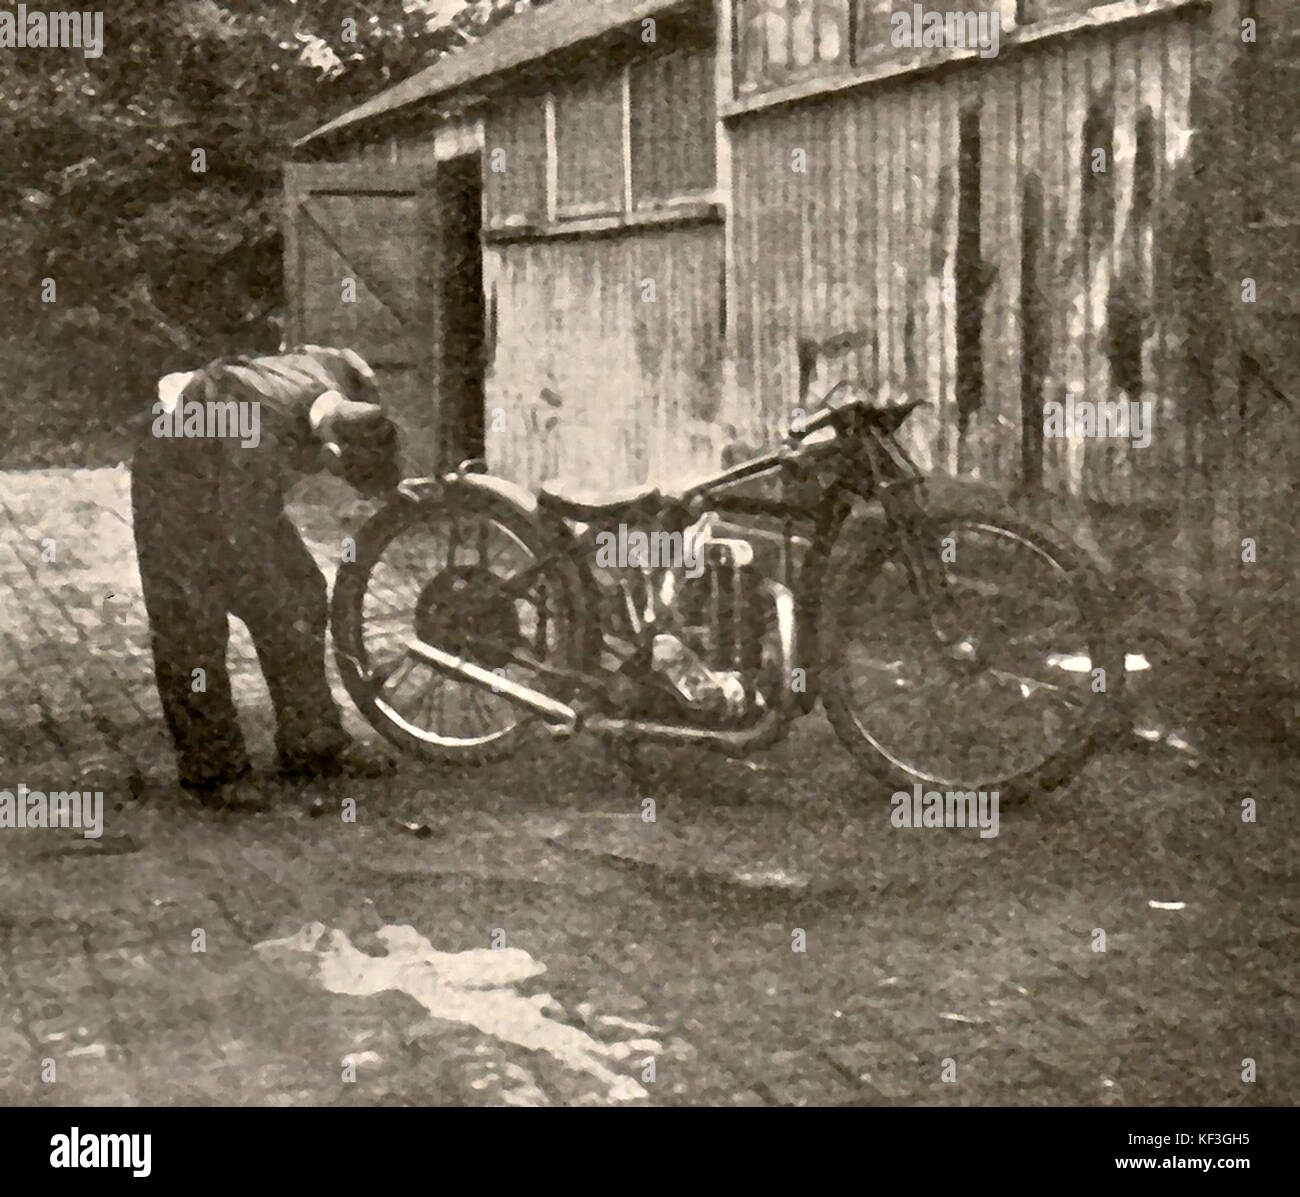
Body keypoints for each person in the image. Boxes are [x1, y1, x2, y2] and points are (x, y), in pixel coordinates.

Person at [131, 345, 401, 810]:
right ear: (331, 449)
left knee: (298, 595)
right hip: (173, 479)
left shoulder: (336, 383)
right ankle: (214, 772)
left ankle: (312, 744)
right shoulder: (261, 429)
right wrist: (250, 579)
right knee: (194, 620)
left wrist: (398, 494)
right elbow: (240, 524)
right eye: (341, 472)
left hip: (227, 469)